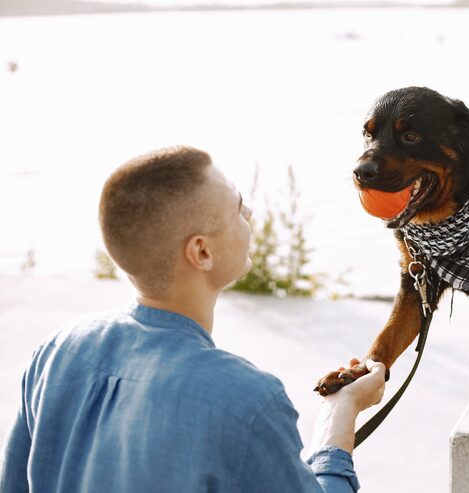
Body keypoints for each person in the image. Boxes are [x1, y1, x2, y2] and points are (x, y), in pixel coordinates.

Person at [0, 146, 385, 492]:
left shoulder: (57, 352)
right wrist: (341, 411)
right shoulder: (246, 398)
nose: (249, 212)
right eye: (237, 206)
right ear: (201, 252)